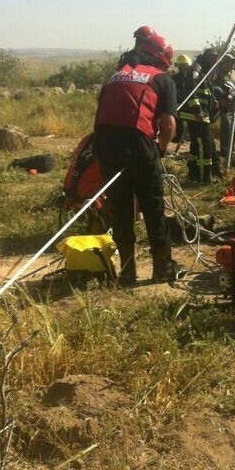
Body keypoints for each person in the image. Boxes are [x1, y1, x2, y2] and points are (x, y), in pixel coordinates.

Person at [93, 26, 178, 286]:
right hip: (138, 143)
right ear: (162, 60)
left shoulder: (115, 76)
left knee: (121, 211)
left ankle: (128, 273)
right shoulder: (162, 79)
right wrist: (161, 149)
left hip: (105, 144)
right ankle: (162, 269)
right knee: (153, 209)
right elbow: (168, 125)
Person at [181, 48, 219, 182]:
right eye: (213, 57)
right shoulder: (196, 68)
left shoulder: (206, 70)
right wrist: (197, 109)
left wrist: (213, 100)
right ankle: (204, 177)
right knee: (204, 144)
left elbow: (206, 89)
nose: (215, 60)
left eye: (216, 57)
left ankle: (194, 174)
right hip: (196, 114)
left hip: (202, 113)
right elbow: (190, 87)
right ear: (206, 56)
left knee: (198, 145)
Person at [215, 53, 235, 160]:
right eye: (230, 61)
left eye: (233, 61)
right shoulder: (218, 72)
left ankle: (231, 147)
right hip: (224, 102)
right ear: (225, 62)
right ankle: (224, 149)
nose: (233, 63)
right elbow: (214, 86)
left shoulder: (234, 73)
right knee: (226, 125)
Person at [172, 54, 192, 147]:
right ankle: (178, 137)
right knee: (178, 120)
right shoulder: (174, 78)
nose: (184, 68)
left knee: (191, 122)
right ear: (179, 66)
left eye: (185, 66)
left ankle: (189, 137)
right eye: (182, 66)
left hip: (190, 102)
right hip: (178, 102)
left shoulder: (191, 78)